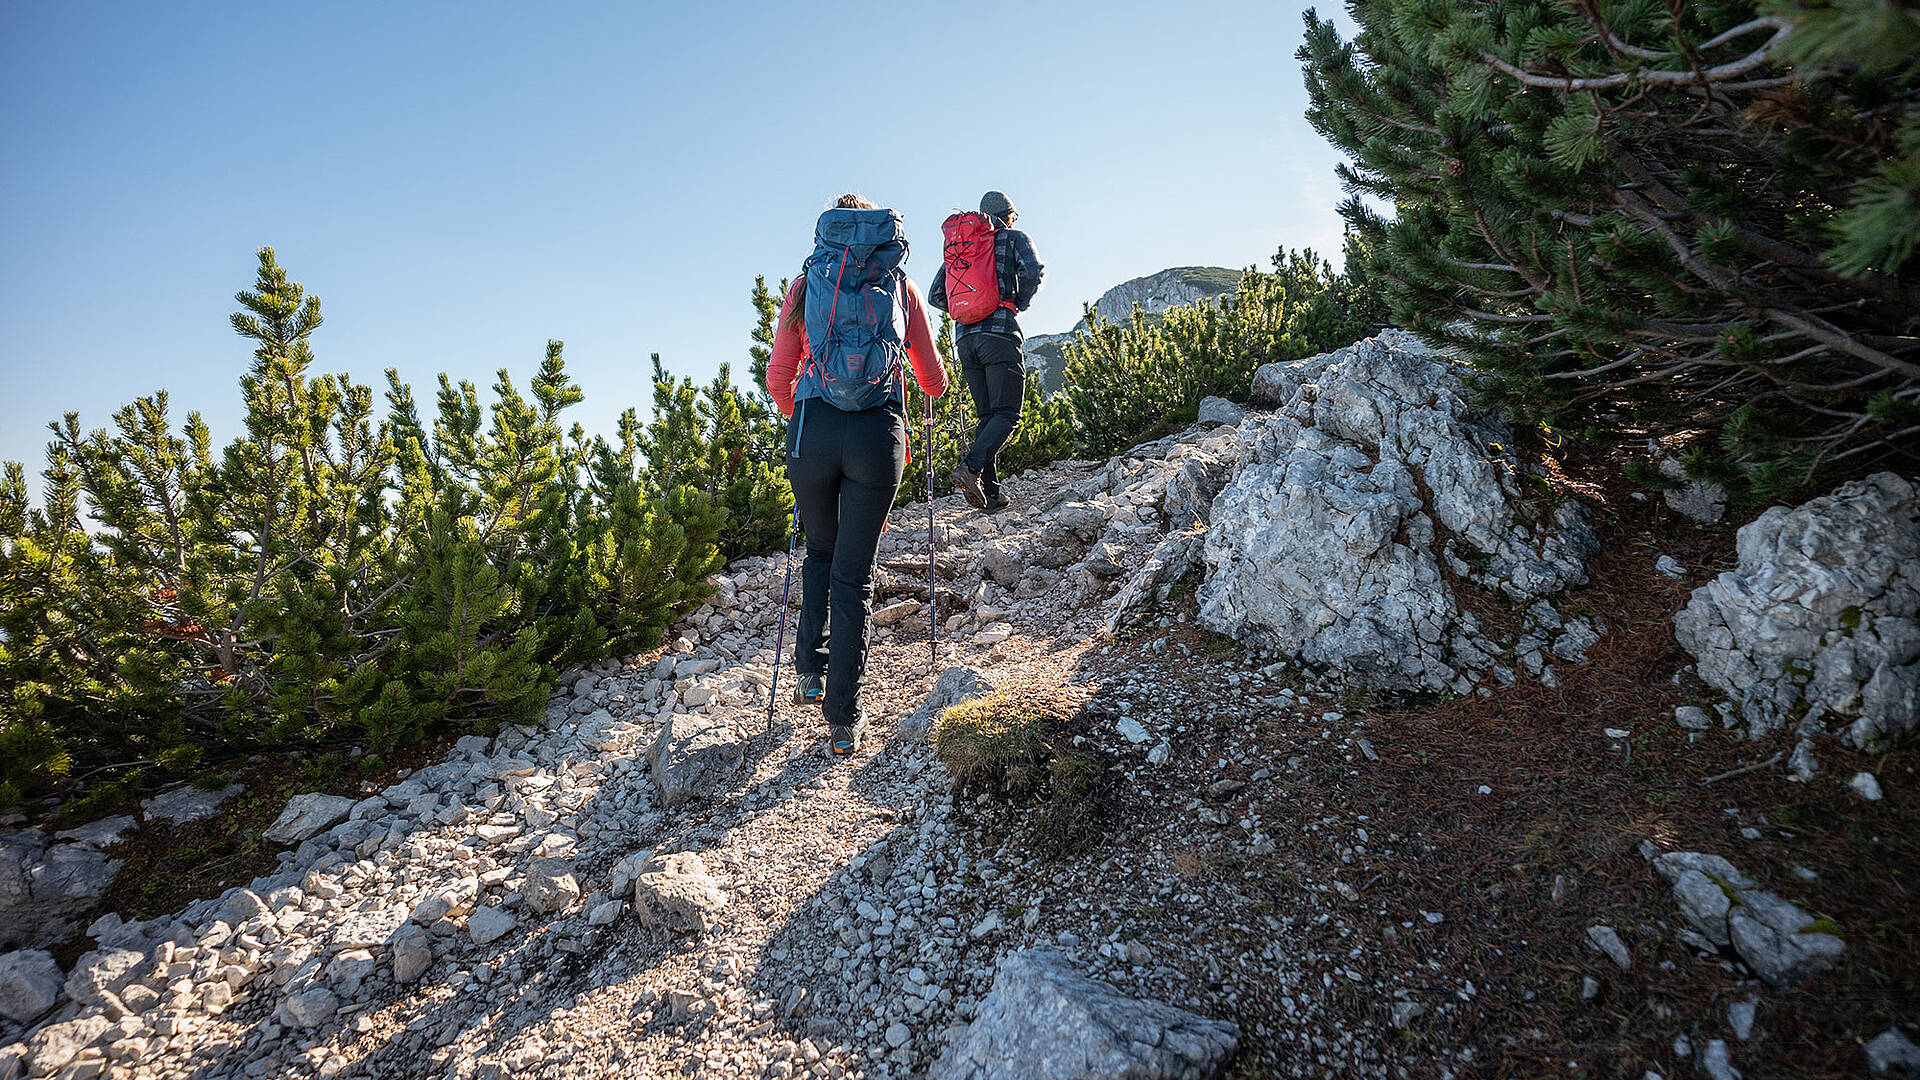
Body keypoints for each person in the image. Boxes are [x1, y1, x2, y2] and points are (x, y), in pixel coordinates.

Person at [766, 194, 948, 756]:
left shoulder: (807, 284)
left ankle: (808, 673)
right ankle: (843, 720)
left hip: (813, 432)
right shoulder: (898, 282)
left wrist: (808, 417)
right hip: (876, 434)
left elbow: (779, 377)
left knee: (818, 552)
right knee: (855, 574)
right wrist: (921, 394)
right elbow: (933, 376)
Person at [929, 190, 1044, 512]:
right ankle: (971, 468)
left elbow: (936, 295)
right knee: (1007, 414)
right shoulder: (1013, 237)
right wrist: (1017, 302)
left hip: (965, 339)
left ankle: (992, 493)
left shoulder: (961, 249)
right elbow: (1034, 271)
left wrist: (968, 308)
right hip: (999, 332)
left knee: (987, 416)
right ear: (1008, 215)